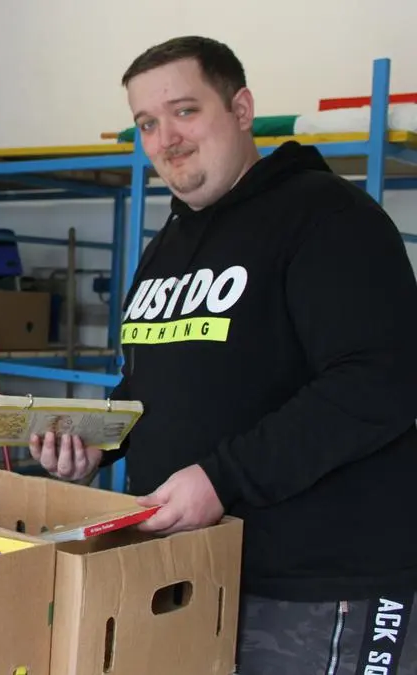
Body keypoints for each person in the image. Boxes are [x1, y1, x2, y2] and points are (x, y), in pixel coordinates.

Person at [29, 36, 417, 674]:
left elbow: (378, 382)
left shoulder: (329, 216)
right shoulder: (168, 243)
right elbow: (153, 380)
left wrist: (222, 479)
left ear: (241, 109)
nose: (166, 139)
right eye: (147, 123)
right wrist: (99, 441)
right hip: (193, 569)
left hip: (319, 586)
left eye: (184, 111)